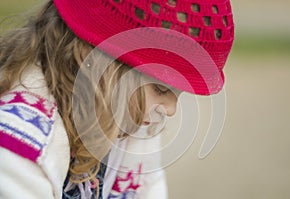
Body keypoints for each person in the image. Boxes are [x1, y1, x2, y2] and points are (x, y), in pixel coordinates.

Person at [0, 0, 234, 198]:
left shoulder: (128, 120)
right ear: (93, 59)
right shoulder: (18, 147)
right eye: (161, 88)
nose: (171, 109)